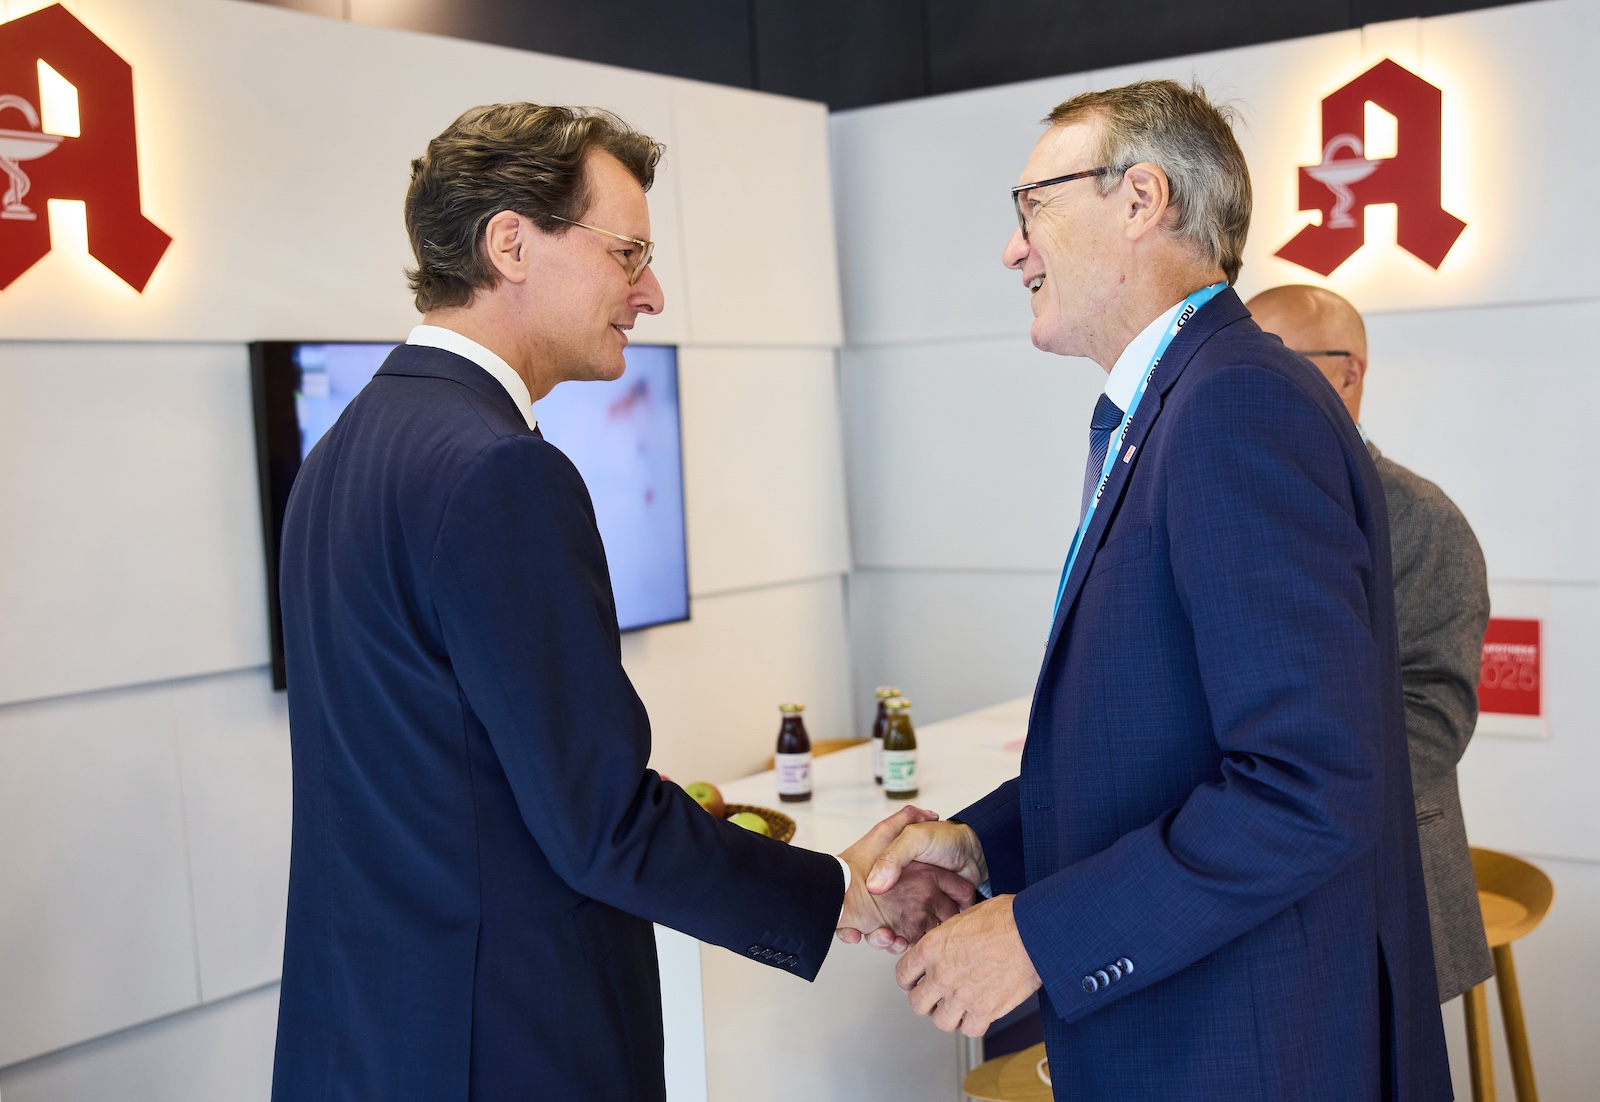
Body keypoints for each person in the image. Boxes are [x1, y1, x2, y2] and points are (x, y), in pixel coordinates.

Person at [270, 103, 971, 1102]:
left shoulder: (340, 452)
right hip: (508, 1045)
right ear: (511, 243)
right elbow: (599, 822)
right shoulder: (500, 471)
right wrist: (838, 892)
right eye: (627, 252)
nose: (651, 292)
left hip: (370, 1036)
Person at [863, 82, 1452, 1100]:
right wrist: (982, 844)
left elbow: (1308, 783)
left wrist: (1039, 935)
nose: (1012, 249)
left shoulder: (1235, 402)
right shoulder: (1174, 406)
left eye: (1031, 207)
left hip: (1250, 1050)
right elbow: (1162, 751)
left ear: (1141, 198)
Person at [1247, 283, 1494, 1004]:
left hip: (1381, 868)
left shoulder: (1418, 517)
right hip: (1250, 868)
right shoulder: (1239, 505)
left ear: (1348, 371)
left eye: (1275, 363)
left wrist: (1299, 796)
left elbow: (1434, 711)